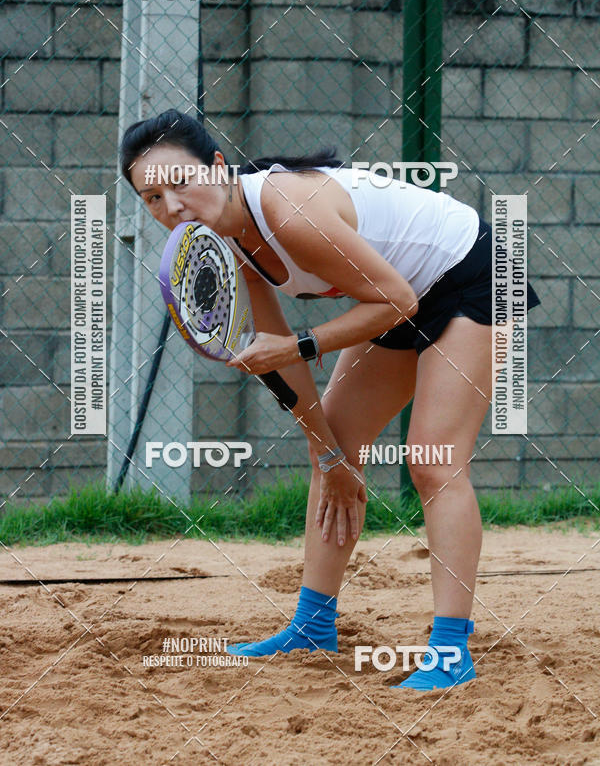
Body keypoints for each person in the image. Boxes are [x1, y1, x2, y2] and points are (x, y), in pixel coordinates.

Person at [120, 108, 541, 690]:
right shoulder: (223, 242)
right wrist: (327, 456)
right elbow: (285, 361)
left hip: (470, 273)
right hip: (399, 293)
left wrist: (301, 341)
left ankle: (450, 650)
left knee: (432, 461)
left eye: (180, 182)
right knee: (337, 447)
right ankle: (313, 625)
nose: (171, 206)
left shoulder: (285, 210)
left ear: (218, 167)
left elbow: (391, 302)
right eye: (151, 198)